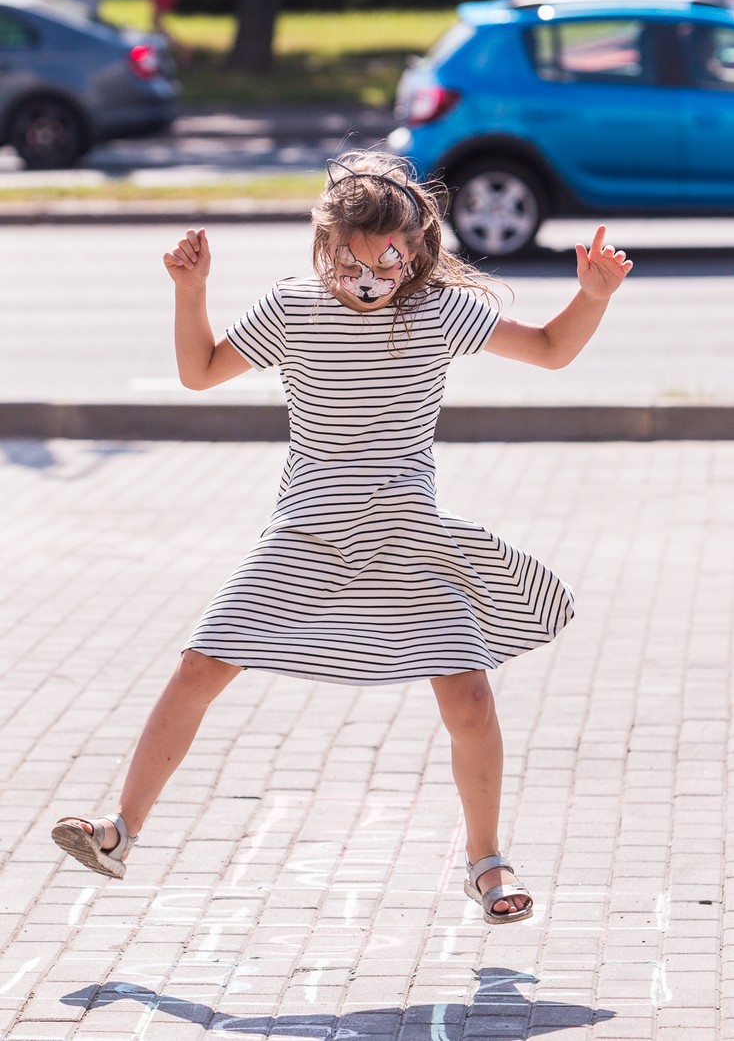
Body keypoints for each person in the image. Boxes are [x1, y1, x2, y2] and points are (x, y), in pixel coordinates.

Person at [52, 151, 633, 925]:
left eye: (388, 263)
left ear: (416, 250)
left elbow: (552, 349)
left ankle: (486, 862)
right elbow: (199, 372)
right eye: (352, 263)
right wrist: (191, 292)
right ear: (326, 248)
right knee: (199, 666)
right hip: (307, 530)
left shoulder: (438, 311)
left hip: (404, 528)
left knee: (467, 696)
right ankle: (119, 833)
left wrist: (590, 298)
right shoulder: (292, 306)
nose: (369, 281)